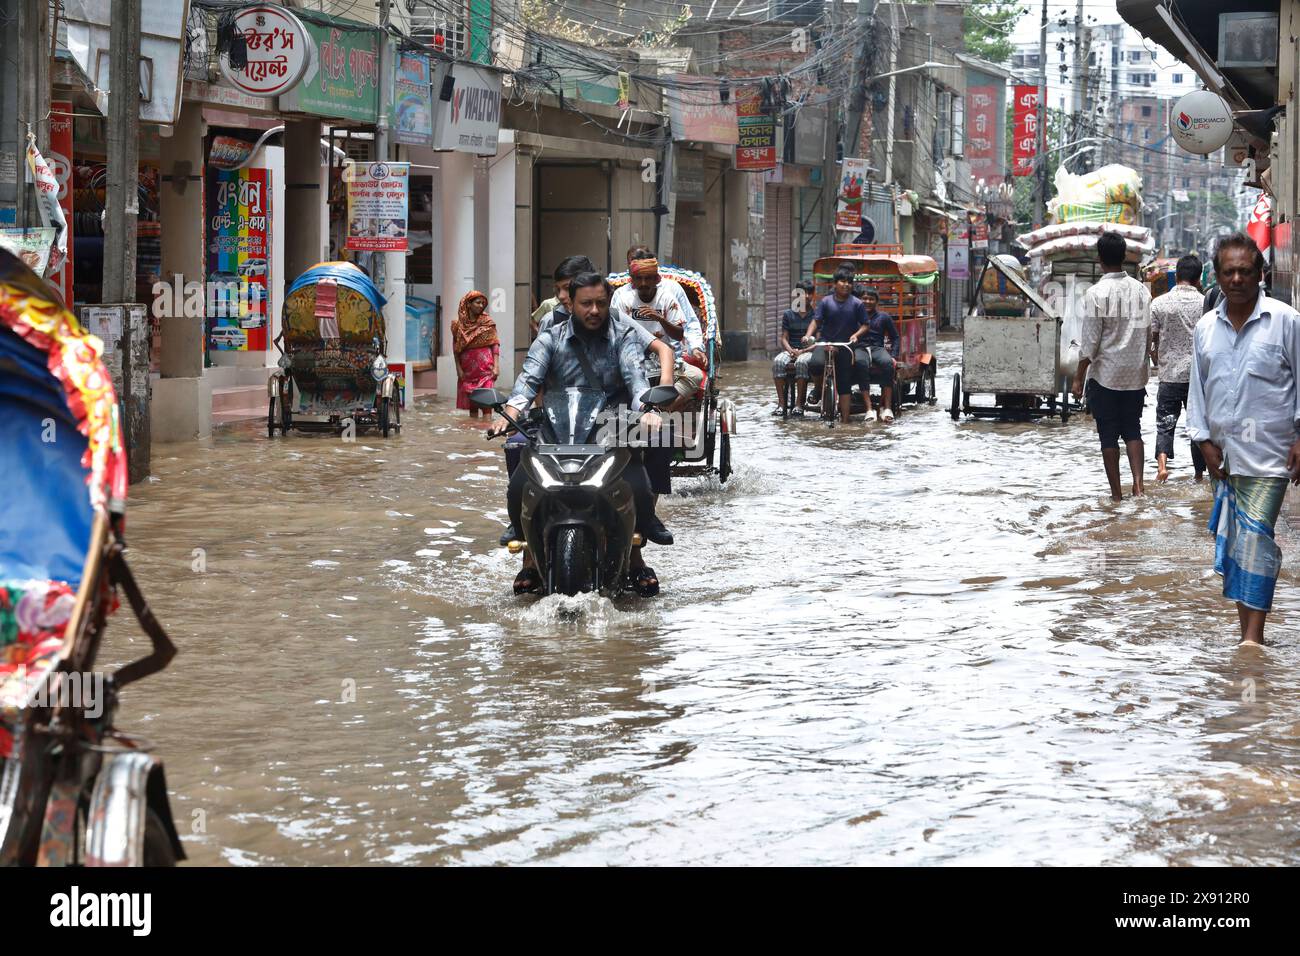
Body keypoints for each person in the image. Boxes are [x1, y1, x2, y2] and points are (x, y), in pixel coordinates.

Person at [490, 272, 674, 596]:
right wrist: (511, 413)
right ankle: (526, 548)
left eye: (601, 303)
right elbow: (528, 379)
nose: (594, 311)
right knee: (518, 464)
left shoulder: (622, 336)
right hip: (559, 424)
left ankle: (637, 551)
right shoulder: (550, 337)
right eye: (586, 303)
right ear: (570, 304)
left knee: (642, 484)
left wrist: (647, 411)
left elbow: (635, 379)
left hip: (611, 426)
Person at [1187, 233, 1300, 645]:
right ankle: (1247, 632)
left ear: (1260, 275)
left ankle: (1253, 638)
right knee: (1236, 548)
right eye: (1229, 272)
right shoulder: (1205, 329)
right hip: (1223, 458)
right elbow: (1197, 392)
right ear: (1216, 277)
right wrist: (1202, 442)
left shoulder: (1285, 321)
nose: (1237, 279)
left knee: (1256, 541)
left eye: (1245, 271)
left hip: (1269, 457)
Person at [1071, 232, 1152, 501]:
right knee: (1133, 429)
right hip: (1135, 376)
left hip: (1106, 376)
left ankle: (1116, 495)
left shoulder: (1096, 293)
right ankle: (1139, 487)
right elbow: (1147, 333)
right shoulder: (1142, 290)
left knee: (1108, 435)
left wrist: (1078, 378)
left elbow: (1090, 342)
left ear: (1100, 259)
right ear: (1124, 257)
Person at [610, 254, 706, 403]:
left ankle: (664, 407)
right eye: (639, 278)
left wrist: (660, 319)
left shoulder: (667, 298)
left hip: (663, 360)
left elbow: (679, 335)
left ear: (657, 279)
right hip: (632, 358)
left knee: (696, 376)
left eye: (648, 278)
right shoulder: (624, 300)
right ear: (632, 281)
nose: (643, 283)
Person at [1149, 253, 1208, 482]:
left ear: (1177, 275)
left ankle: (1162, 467)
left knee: (1165, 423)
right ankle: (1198, 474)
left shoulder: (1159, 303)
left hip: (1169, 375)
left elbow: (1153, 341)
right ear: (1198, 277)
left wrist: (1158, 359)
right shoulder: (1205, 303)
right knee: (1196, 426)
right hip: (1196, 377)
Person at [804, 265, 871, 423]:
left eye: (849, 282)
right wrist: (808, 335)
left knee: (844, 382)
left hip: (845, 345)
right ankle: (819, 388)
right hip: (825, 343)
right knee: (815, 364)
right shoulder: (826, 302)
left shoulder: (857, 304)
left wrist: (856, 335)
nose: (846, 284)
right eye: (842, 281)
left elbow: (866, 324)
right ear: (835, 284)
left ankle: (846, 420)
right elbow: (816, 320)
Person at [451, 290, 499, 418]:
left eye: (482, 303)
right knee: (472, 407)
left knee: (486, 404)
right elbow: (456, 348)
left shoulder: (487, 322)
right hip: (468, 372)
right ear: (468, 304)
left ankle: (486, 431)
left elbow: (495, 343)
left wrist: (496, 366)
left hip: (486, 369)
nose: (480, 305)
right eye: (477, 303)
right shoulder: (458, 325)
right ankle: (473, 433)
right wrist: (458, 368)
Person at [771, 280, 815, 414]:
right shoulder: (788, 314)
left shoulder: (816, 315)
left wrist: (802, 351)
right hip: (790, 350)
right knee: (778, 362)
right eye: (803, 293)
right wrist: (790, 350)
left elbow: (817, 340)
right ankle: (781, 405)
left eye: (809, 293)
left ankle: (798, 405)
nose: (806, 296)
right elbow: (783, 338)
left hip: (809, 350)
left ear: (812, 295)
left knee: (801, 362)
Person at [857, 287, 901, 422]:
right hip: (860, 348)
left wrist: (893, 355)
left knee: (887, 363)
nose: (867, 302)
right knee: (860, 363)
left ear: (876, 301)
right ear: (860, 300)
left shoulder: (884, 317)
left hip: (877, 348)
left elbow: (895, 337)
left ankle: (887, 408)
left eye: (871, 299)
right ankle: (869, 410)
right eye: (864, 298)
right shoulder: (854, 316)